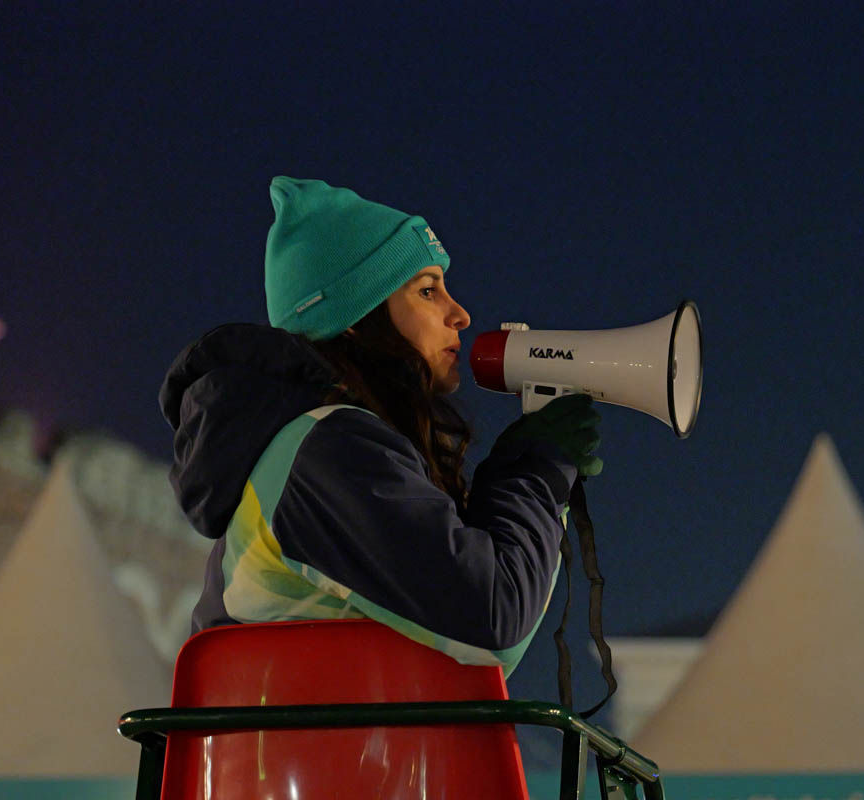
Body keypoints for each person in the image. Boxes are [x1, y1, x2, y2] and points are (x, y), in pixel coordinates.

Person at [159, 177, 603, 675]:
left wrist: (514, 478)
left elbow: (469, 638)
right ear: (354, 316)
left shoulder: (322, 446)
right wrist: (535, 473)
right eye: (428, 291)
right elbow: (493, 624)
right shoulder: (328, 452)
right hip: (308, 731)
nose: (460, 314)